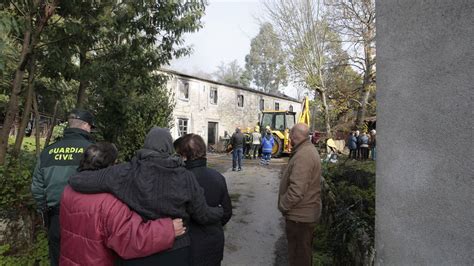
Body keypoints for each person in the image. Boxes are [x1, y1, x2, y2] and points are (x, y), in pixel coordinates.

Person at [68, 127, 223, 265]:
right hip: (176, 250)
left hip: (138, 252)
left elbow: (79, 180)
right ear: (169, 147)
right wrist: (219, 211)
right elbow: (203, 214)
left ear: (147, 144)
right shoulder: (185, 176)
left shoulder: (126, 172)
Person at [60, 142, 186, 265]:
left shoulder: (69, 190)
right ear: (110, 166)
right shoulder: (109, 202)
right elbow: (129, 239)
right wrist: (168, 229)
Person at [31, 108, 95, 266]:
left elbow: (37, 189)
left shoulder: (48, 152)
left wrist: (46, 212)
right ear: (86, 125)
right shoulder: (93, 151)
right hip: (85, 219)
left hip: (56, 219)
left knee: (58, 260)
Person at [174, 134, 232, 266]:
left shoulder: (180, 179)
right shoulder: (218, 177)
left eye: (179, 155)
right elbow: (226, 212)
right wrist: (212, 223)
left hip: (188, 245)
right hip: (214, 243)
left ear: (184, 155)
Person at [278, 123, 321, 266]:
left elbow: (297, 191)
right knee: (301, 254)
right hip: (302, 215)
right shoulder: (304, 150)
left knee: (299, 257)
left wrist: (283, 205)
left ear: (294, 135)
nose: (289, 137)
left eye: (290, 134)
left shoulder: (304, 155)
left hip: (300, 218)